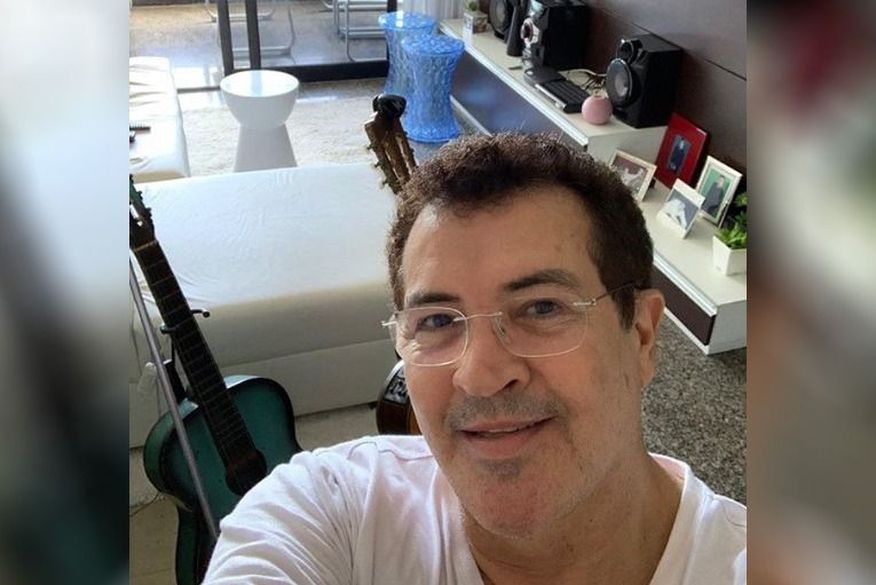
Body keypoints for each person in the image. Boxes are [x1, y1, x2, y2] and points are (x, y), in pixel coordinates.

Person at [203, 133, 746, 585]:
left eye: (541, 307)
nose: (481, 375)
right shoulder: (331, 511)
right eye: (437, 321)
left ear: (642, 336)